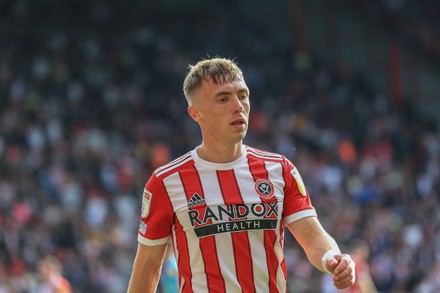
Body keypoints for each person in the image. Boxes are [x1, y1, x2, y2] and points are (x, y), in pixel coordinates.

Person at [127, 57, 355, 292]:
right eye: (223, 98)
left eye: (243, 95)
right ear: (196, 113)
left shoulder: (279, 169)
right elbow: (148, 266)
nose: (238, 105)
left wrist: (332, 258)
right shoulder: (167, 182)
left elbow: (313, 237)